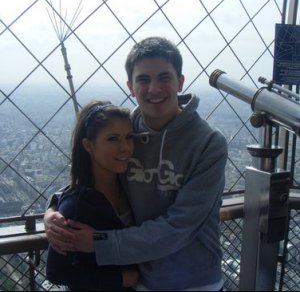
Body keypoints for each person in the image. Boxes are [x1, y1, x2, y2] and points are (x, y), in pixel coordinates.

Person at [44, 37, 228, 291]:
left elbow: (179, 226)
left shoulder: (208, 143)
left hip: (195, 282)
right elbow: (95, 172)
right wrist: (54, 209)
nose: (154, 88)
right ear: (130, 86)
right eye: (143, 79)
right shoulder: (126, 130)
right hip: (140, 279)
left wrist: (99, 241)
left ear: (180, 82)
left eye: (164, 77)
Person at [46, 100, 139, 291]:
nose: (125, 147)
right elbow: (56, 272)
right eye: (113, 139)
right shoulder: (76, 206)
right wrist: (120, 279)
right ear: (88, 146)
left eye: (129, 137)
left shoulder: (132, 185)